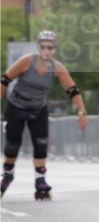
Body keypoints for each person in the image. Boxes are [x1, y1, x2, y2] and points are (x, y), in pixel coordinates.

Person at [1, 30, 88, 200]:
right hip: (16, 107)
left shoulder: (57, 68)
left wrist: (81, 110)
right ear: (38, 47)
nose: (47, 51)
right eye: (44, 47)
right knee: (12, 145)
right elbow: (4, 80)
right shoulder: (26, 61)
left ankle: (40, 180)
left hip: (38, 109)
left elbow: (73, 90)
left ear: (55, 49)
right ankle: (7, 175)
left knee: (40, 143)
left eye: (50, 48)